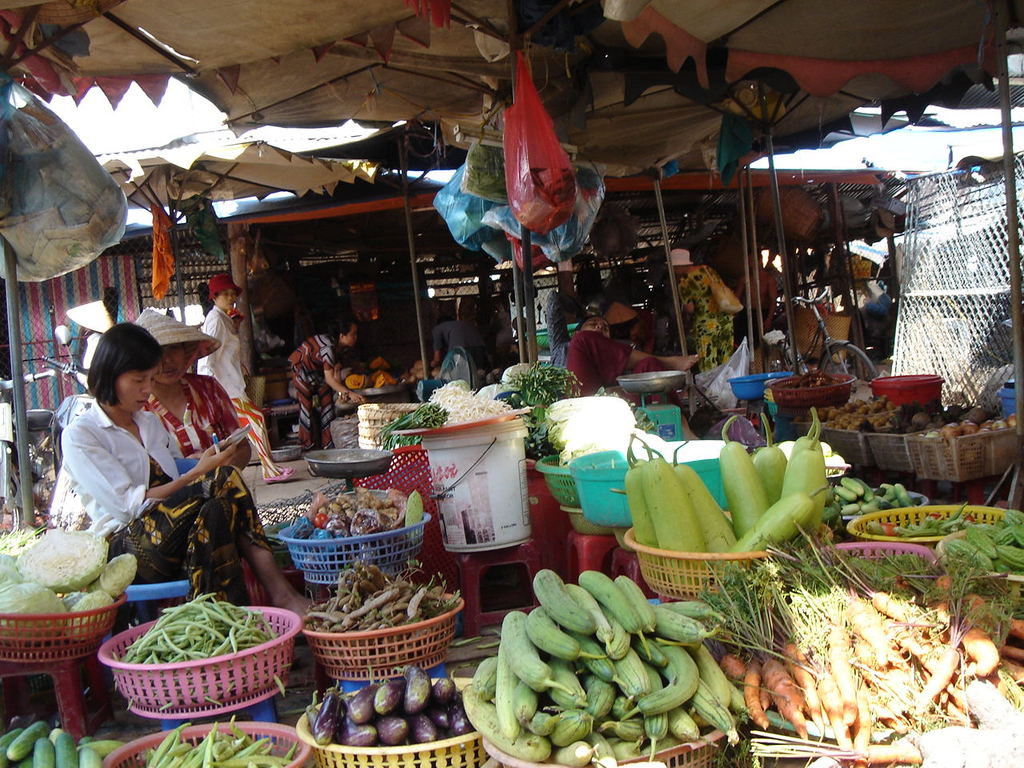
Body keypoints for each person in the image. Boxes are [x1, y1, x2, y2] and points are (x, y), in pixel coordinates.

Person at [61, 323, 308, 613]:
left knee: (218, 508)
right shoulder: (83, 434)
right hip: (127, 548)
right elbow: (129, 508)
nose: (147, 390)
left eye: (150, 379)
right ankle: (280, 595)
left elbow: (175, 477)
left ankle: (227, 616)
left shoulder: (148, 423)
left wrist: (207, 462)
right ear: (110, 374)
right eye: (139, 380)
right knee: (223, 478)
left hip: (174, 531)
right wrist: (198, 472)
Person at [198, 273, 295, 484]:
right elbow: (208, 360)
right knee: (256, 421)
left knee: (254, 422)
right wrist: (210, 393)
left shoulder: (225, 318)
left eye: (233, 293)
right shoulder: (215, 320)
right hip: (225, 388)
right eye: (225, 293)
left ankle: (269, 469)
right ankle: (269, 471)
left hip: (234, 384)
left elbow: (227, 352)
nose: (231, 297)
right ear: (214, 296)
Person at [135, 309, 251, 469]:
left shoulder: (209, 389)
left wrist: (221, 467)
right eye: (159, 351)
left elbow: (243, 447)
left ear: (185, 351)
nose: (168, 360)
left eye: (174, 347)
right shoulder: (137, 408)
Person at [567, 315, 698, 396]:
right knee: (582, 339)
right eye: (592, 324)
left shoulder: (611, 358)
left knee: (649, 363)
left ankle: (683, 428)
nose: (600, 326)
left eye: (606, 328)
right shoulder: (576, 341)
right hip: (580, 403)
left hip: (608, 403)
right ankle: (670, 362)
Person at [289, 316, 365, 451]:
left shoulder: (338, 347)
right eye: (353, 334)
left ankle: (328, 443)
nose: (356, 337)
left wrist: (341, 392)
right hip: (301, 370)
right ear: (342, 335)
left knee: (327, 401)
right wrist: (350, 393)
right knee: (306, 406)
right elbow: (330, 379)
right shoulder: (328, 348)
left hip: (317, 373)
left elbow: (335, 372)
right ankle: (306, 444)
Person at [673, 248, 740, 370]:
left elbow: (690, 309)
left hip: (706, 326)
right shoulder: (707, 270)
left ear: (678, 266)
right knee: (726, 359)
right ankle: (727, 385)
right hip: (725, 321)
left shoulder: (684, 282)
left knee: (708, 362)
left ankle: (712, 388)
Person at [431, 296, 488, 373]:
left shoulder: (437, 329)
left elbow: (437, 358)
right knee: (478, 371)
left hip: (461, 349)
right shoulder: (459, 324)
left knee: (460, 373)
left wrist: (429, 365)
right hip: (479, 346)